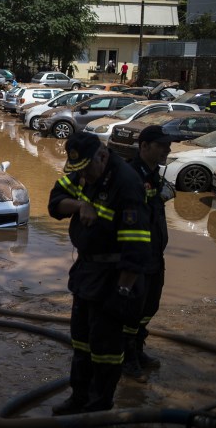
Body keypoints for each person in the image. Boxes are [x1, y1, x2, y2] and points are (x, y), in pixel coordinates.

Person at [48, 132, 151, 415]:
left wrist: (122, 291)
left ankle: (98, 408)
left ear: (103, 156)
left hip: (114, 277)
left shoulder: (127, 184)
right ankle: (79, 399)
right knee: (81, 340)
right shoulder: (85, 170)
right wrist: (81, 204)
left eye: (87, 170)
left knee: (106, 350)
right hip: (87, 272)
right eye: (78, 171)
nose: (84, 177)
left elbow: (137, 249)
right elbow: (55, 202)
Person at [121, 125, 176, 382]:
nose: (168, 149)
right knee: (132, 310)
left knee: (149, 306)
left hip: (155, 254)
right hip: (136, 258)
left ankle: (138, 350)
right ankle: (127, 358)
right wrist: (157, 196)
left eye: (168, 145)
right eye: (162, 146)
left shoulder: (155, 174)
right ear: (144, 146)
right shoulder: (131, 174)